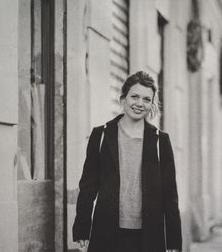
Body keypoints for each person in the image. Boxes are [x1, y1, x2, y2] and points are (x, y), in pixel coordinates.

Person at [73, 71, 182, 252]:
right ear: (123, 99)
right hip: (107, 233)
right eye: (135, 97)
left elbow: (170, 195)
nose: (140, 104)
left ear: (152, 104)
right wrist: (82, 228)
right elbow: (87, 187)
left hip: (148, 236)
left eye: (147, 99)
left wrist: (173, 241)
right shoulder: (100, 135)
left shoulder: (160, 141)